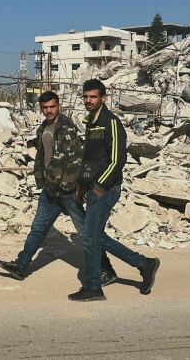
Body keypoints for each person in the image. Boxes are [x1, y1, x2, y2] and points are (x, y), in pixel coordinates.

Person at [0, 91, 116, 285]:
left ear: (59, 106)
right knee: (38, 229)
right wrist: (44, 182)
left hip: (66, 192)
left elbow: (75, 161)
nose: (49, 111)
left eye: (52, 107)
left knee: (86, 233)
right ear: (41, 109)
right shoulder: (44, 128)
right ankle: (21, 266)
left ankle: (106, 270)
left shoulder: (66, 127)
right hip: (50, 189)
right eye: (45, 108)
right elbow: (44, 158)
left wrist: (67, 187)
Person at [67, 79, 160, 302]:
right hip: (92, 188)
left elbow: (118, 159)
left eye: (93, 97)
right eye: (86, 97)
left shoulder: (111, 122)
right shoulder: (91, 122)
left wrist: (100, 186)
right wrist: (81, 186)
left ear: (103, 98)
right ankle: (144, 264)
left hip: (105, 190)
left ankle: (93, 287)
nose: (89, 101)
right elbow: (90, 159)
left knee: (89, 238)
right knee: (95, 236)